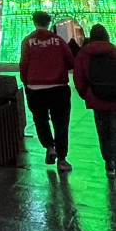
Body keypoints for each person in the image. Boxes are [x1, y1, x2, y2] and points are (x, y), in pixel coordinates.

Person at [19, 11, 75, 172]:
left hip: (35, 88)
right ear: (49, 22)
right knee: (61, 123)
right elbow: (70, 61)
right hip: (58, 88)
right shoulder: (58, 41)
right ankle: (62, 160)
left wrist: (27, 82)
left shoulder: (28, 41)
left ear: (34, 22)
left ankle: (49, 147)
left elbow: (23, 64)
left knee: (41, 120)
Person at [73, 24, 116, 178]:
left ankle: (109, 161)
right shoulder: (113, 50)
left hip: (97, 98)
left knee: (103, 130)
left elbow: (78, 78)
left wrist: (87, 94)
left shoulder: (84, 53)